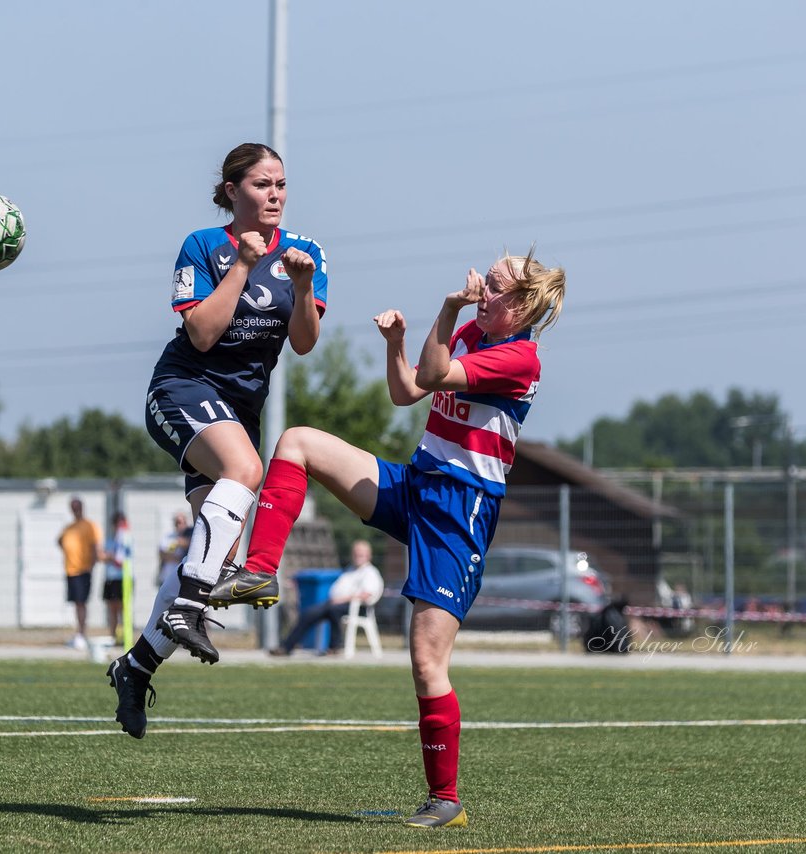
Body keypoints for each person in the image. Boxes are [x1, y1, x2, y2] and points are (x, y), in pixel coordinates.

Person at [216, 248, 564, 828]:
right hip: (417, 482)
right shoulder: (478, 329)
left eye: (495, 287)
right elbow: (407, 390)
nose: (482, 290)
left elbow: (433, 375)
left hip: (460, 509)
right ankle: (259, 569)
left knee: (427, 662)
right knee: (298, 441)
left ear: (522, 304)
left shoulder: (518, 357)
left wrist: (448, 310)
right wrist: (394, 345)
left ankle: (445, 799)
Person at [107, 141, 328, 739]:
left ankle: (136, 666)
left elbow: (304, 343)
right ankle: (185, 608)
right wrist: (242, 267)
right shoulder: (204, 246)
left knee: (216, 557)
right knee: (245, 470)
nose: (275, 195)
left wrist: (303, 287)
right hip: (182, 385)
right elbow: (201, 334)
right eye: (261, 184)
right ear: (232, 191)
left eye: (281, 184)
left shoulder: (307, 252)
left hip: (238, 409)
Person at [269, 539, 383, 656]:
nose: (357, 556)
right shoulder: (349, 570)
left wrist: (342, 599)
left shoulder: (370, 572)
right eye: (356, 553)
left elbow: (367, 594)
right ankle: (286, 647)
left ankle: (335, 647)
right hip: (335, 604)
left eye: (361, 554)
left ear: (368, 555)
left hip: (358, 607)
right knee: (309, 613)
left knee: (333, 610)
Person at [57, 497, 102, 651]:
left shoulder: (89, 526)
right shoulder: (69, 527)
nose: (75, 511)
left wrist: (91, 564)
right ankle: (78, 633)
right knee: (76, 603)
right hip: (71, 569)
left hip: (83, 569)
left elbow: (96, 545)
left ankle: (81, 634)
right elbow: (60, 540)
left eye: (77, 507)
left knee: (81, 603)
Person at [101, 511, 133, 644]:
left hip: (123, 577)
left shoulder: (126, 539)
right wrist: (108, 556)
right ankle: (113, 635)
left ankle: (125, 635)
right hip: (111, 577)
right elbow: (102, 556)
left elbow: (118, 558)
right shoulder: (109, 541)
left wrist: (109, 556)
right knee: (111, 608)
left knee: (123, 608)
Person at [156, 511, 191, 588]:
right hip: (166, 577)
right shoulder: (169, 537)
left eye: (183, 522)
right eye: (178, 522)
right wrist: (178, 558)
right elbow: (162, 554)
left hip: (181, 579)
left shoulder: (191, 536)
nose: (180, 525)